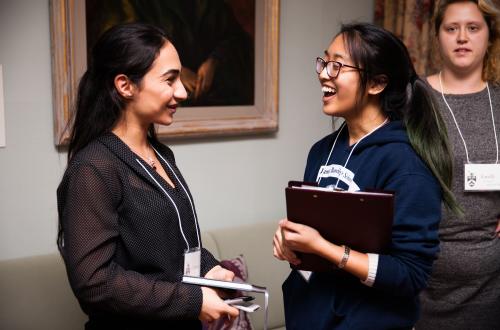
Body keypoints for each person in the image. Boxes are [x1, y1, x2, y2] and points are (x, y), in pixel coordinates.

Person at [273, 22, 461, 329]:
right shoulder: (321, 151)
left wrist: (325, 249)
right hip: (310, 316)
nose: (323, 73)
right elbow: (314, 237)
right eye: (324, 62)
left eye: (337, 65)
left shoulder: (407, 164)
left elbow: (410, 273)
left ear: (376, 83)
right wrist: (292, 246)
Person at [56, 22, 239, 330]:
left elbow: (169, 244)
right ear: (125, 85)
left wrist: (209, 270)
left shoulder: (161, 153)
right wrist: (192, 300)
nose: (182, 91)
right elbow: (94, 282)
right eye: (170, 80)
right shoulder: (93, 168)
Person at [417, 1, 500, 329]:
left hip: (492, 288)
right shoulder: (413, 99)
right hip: (424, 285)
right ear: (437, 37)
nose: (462, 37)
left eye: (473, 28)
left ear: (489, 36)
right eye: (451, 28)